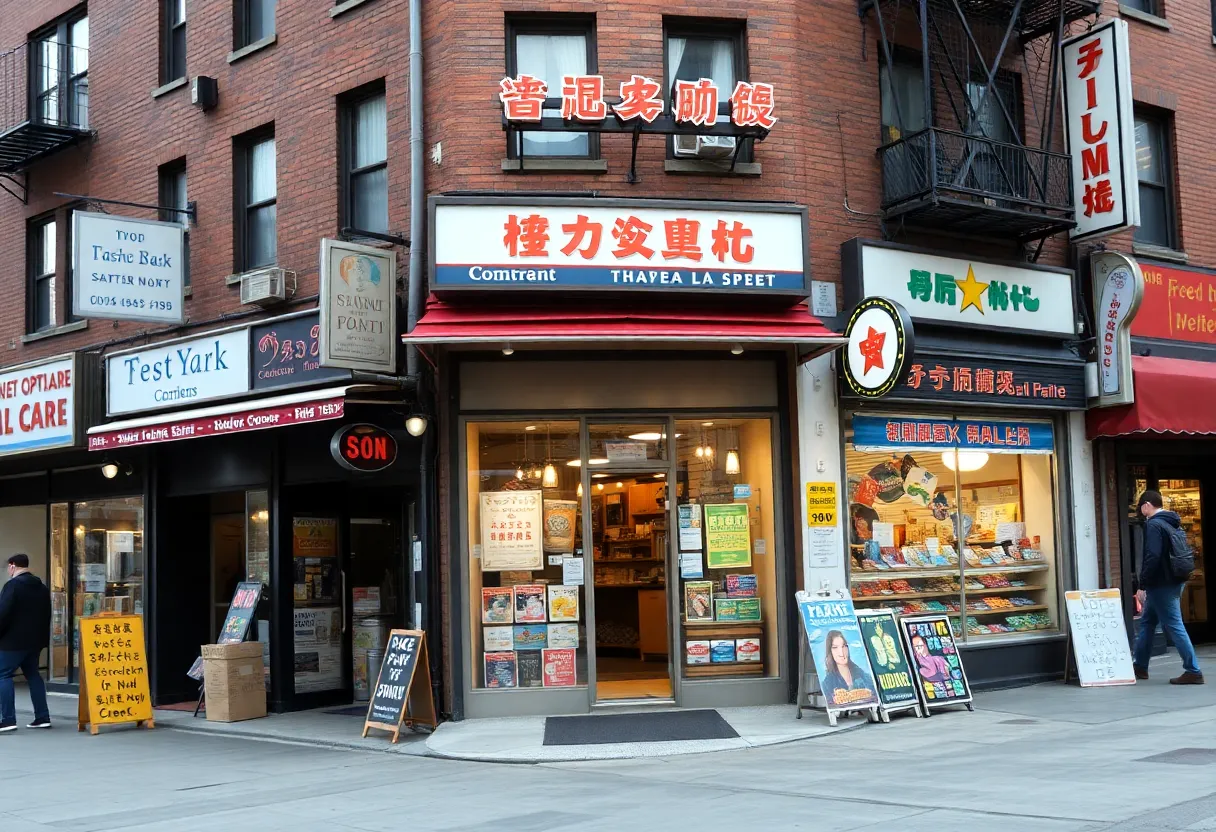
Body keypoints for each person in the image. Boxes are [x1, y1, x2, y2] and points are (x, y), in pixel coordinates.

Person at [1134, 490, 1204, 685]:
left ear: (1147, 505)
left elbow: (1153, 556)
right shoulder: (1171, 522)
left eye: (1141, 507)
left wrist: (1143, 584)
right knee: (1148, 622)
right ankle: (1140, 666)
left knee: (1173, 624)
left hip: (1161, 583)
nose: (1141, 511)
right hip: (1175, 579)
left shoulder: (1154, 525)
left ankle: (1193, 670)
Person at [0, 554, 53, 731]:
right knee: (33, 675)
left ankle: (8, 720)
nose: (8, 570)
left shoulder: (12, 586)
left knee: (3, 675)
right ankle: (42, 716)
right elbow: (47, 615)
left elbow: (3, 614)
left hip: (12, 642)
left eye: (8, 567)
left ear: (13, 566)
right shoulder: (42, 588)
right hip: (35, 642)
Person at [820, 629, 876, 707]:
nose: (841, 653)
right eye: (835, 647)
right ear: (830, 652)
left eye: (844, 646)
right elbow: (832, 706)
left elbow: (876, 694)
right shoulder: (828, 683)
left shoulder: (861, 674)